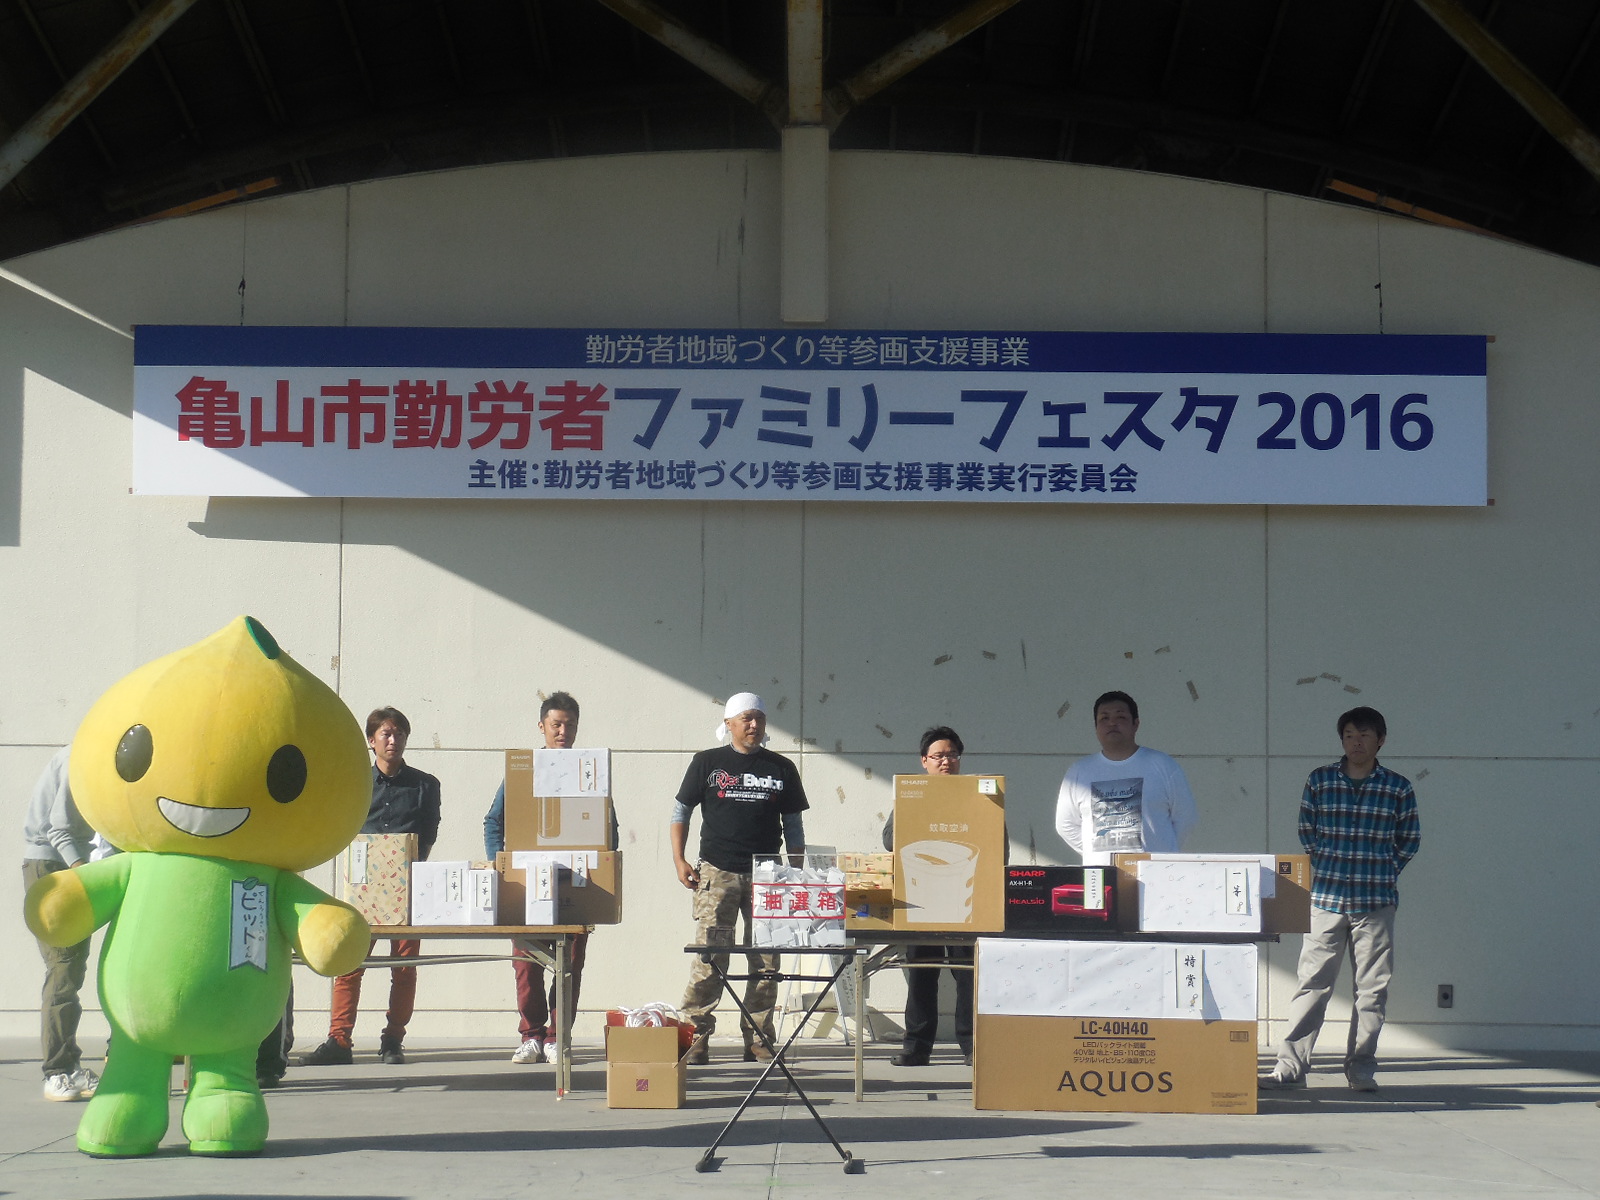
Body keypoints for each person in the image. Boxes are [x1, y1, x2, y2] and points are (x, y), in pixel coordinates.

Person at [1260, 706, 1420, 1092]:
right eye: (1349, 735)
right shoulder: (1320, 780)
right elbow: (1307, 830)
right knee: (1312, 984)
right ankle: (1290, 1066)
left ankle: (1361, 1068)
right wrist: (1328, 863)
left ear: (1381, 740)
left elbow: (1409, 839)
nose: (1356, 742)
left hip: (1375, 901)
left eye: (1364, 735)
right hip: (1326, 899)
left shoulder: (1397, 787)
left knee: (1372, 990)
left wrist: (1383, 869)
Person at [671, 692, 808, 1064]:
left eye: (759, 718)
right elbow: (681, 810)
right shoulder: (707, 762)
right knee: (710, 955)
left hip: (768, 874)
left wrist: (797, 870)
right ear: (729, 723)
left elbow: (793, 825)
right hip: (718, 872)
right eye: (746, 718)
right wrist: (679, 859)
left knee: (766, 961)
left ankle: (759, 1037)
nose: (753, 725)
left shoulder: (781, 768)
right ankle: (695, 1035)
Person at [300, 707, 440, 1067]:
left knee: (404, 967)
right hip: (362, 889)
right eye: (386, 734)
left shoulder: (425, 785)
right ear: (371, 740)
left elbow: (428, 836)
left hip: (407, 889)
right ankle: (339, 1039)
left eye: (399, 734)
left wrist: (402, 867)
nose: (393, 741)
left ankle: (393, 1039)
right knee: (349, 961)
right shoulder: (355, 781)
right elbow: (341, 825)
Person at [483, 691, 615, 1064]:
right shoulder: (522, 771)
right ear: (541, 726)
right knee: (526, 964)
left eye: (570, 725)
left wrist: (603, 870)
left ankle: (558, 1037)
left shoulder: (589, 771)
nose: (563, 732)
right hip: (526, 883)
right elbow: (494, 821)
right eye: (556, 724)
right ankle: (531, 1036)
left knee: (568, 965)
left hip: (576, 884)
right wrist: (499, 866)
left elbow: (609, 827)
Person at [882, 727, 975, 1067]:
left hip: (966, 897)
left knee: (968, 973)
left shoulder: (977, 796)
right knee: (922, 972)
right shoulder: (911, 796)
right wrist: (917, 817)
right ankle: (917, 1047)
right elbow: (889, 839)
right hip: (921, 897)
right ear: (924, 761)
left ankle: (973, 1045)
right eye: (938, 756)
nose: (945, 761)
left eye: (952, 755)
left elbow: (998, 844)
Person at [22, 746, 101, 1102]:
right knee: (63, 968)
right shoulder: (81, 757)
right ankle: (56, 1071)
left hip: (62, 865)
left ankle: (69, 1065)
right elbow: (60, 830)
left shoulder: (88, 754)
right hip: (55, 867)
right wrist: (82, 872)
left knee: (72, 968)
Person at [1055, 690, 1198, 865]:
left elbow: (1186, 818)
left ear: (1135, 724)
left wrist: (1163, 853)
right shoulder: (1079, 771)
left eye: (1120, 717)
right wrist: (1097, 854)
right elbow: (1065, 825)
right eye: (1104, 718)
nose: (1112, 723)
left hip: (1154, 873)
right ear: (1096, 726)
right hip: (1100, 875)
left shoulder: (1163, 765)